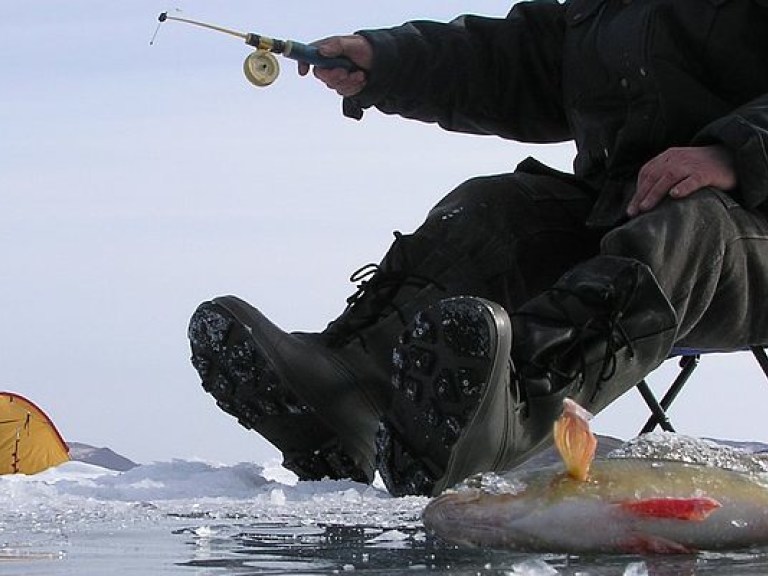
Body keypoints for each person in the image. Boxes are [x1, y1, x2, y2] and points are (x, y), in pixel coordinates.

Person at [187, 0, 768, 497]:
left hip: (744, 233)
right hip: (621, 211)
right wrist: (388, 61)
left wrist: (736, 154)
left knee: (683, 227)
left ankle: (511, 410)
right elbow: (520, 61)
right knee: (496, 210)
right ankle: (352, 391)